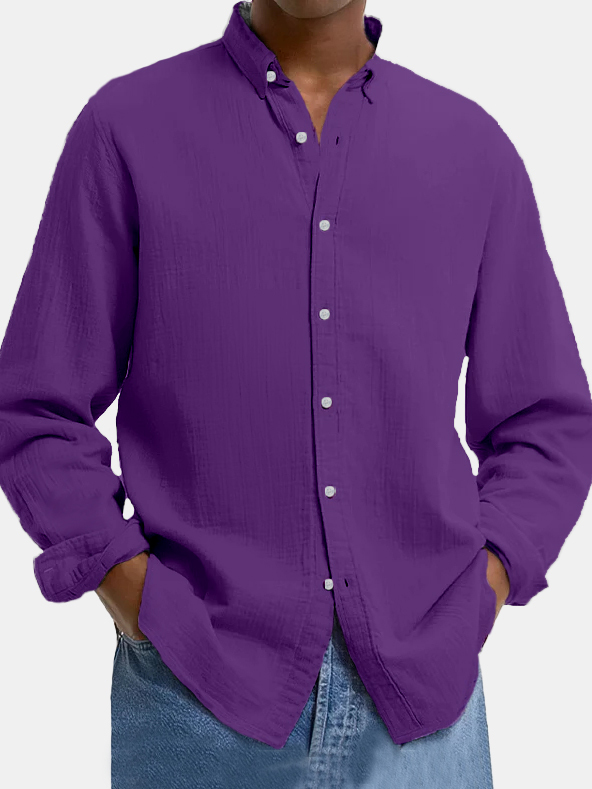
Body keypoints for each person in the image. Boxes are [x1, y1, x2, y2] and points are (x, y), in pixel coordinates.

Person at [1, 1, 591, 786]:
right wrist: (131, 588)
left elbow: (546, 421)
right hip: (198, 696)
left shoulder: (472, 149)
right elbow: (37, 406)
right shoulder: (126, 128)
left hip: (426, 712)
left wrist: (488, 582)